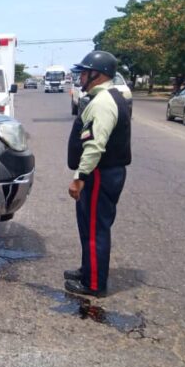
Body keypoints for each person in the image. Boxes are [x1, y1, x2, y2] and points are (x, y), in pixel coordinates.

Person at [65, 51, 132, 297]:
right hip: (102, 172)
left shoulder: (103, 102)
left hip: (100, 174)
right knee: (89, 226)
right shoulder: (106, 97)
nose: (81, 76)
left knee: (95, 228)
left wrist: (79, 178)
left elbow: (95, 145)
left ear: (98, 74)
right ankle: (88, 270)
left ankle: (93, 284)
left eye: (84, 72)